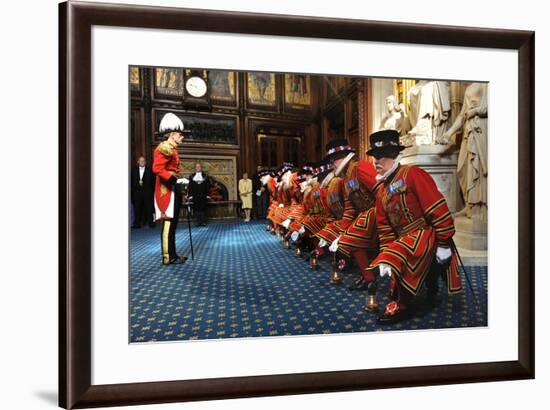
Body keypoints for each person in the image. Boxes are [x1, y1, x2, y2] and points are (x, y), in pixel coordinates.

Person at [364, 129, 462, 324]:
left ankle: (401, 303)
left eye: (381, 157)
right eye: (375, 157)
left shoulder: (413, 174)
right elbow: (384, 228)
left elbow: (437, 208)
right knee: (398, 251)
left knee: (401, 251)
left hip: (425, 234)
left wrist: (443, 243)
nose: (376, 162)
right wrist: (386, 254)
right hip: (404, 240)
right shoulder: (381, 191)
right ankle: (421, 288)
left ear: (394, 156)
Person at [152, 112, 190, 265]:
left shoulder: (173, 149)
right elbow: (157, 169)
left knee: (173, 223)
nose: (182, 137)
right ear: (173, 134)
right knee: (168, 222)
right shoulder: (164, 148)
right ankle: (167, 256)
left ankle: (173, 254)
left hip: (173, 189)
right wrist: (174, 179)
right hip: (165, 190)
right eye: (180, 135)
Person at [131, 156, 156, 228]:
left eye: (143, 161)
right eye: (140, 161)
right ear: (138, 162)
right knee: (137, 208)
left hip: (148, 193)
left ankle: (151, 223)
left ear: (145, 162)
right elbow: (131, 182)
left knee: (149, 208)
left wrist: (152, 192)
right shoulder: (133, 170)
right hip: (137, 193)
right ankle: (137, 224)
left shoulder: (150, 170)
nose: (142, 162)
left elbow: (153, 182)